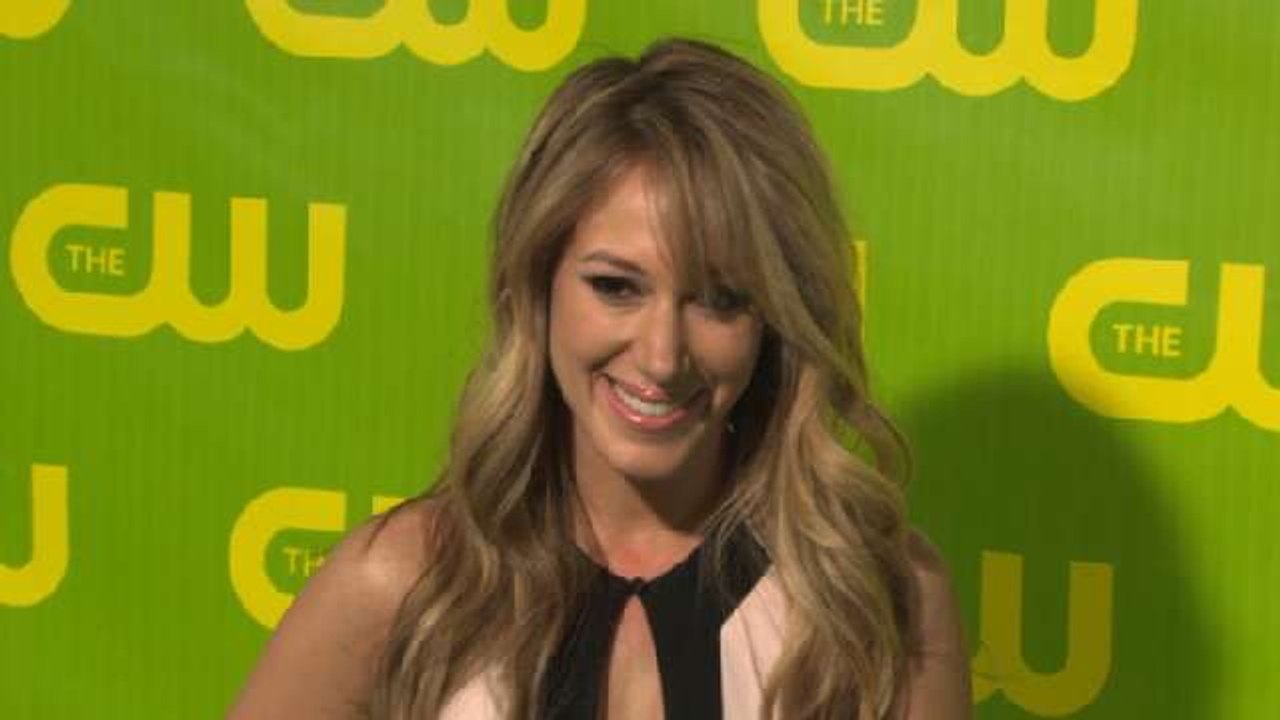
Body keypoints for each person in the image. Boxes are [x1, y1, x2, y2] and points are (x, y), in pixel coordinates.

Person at [229, 38, 969, 720]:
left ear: (775, 320)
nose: (662, 357)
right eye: (616, 286)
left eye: (721, 300)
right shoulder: (402, 586)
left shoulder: (877, 599)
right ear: (536, 286)